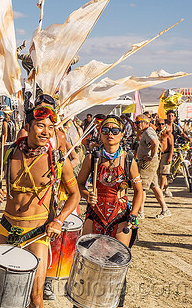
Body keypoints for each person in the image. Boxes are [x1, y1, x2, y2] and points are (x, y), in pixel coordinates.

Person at [0, 104, 80, 308]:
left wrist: (59, 221)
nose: (46, 131)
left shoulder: (58, 161)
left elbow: (74, 195)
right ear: (28, 126)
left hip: (38, 232)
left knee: (35, 298)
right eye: (40, 125)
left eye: (51, 127)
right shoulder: (8, 152)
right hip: (6, 227)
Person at [76, 115, 143, 307]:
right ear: (100, 133)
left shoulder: (129, 160)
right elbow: (79, 184)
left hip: (120, 218)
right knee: (87, 263)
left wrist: (134, 215)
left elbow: (139, 191)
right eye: (105, 131)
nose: (110, 135)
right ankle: (82, 302)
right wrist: (87, 195)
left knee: (117, 267)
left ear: (122, 134)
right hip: (94, 216)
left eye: (115, 131)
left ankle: (115, 303)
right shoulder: (92, 158)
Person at [135, 115, 171, 219]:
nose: (136, 125)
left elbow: (155, 143)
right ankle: (165, 209)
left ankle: (140, 212)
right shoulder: (146, 131)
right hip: (150, 162)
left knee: (141, 187)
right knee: (154, 186)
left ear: (144, 122)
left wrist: (151, 156)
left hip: (148, 163)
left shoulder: (148, 131)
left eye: (138, 123)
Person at [156, 118, 174, 197]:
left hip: (166, 154)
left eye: (162, 124)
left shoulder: (168, 133)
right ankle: (166, 189)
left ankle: (160, 189)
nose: (161, 126)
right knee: (159, 173)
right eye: (159, 124)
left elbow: (171, 146)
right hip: (157, 154)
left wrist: (170, 157)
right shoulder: (155, 133)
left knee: (163, 174)